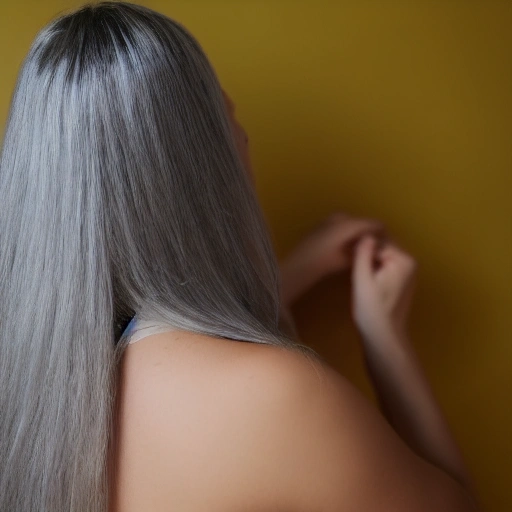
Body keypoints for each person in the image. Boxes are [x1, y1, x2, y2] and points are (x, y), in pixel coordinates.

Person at [0, 2, 479, 511]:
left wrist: (284, 275)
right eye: (231, 126)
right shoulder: (277, 398)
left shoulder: (31, 392)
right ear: (208, 174)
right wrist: (385, 342)